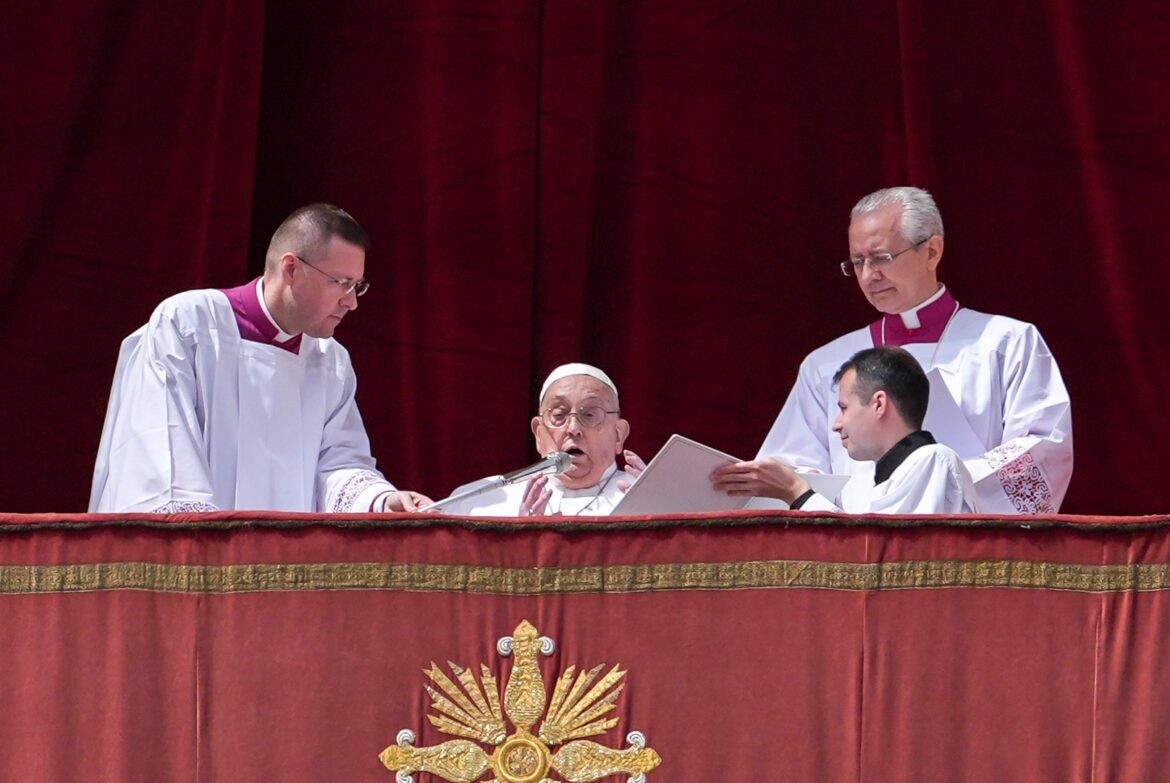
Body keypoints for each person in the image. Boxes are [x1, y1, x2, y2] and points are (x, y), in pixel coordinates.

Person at [748, 186, 1072, 514]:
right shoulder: (825, 364)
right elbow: (793, 469)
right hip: (854, 540)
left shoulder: (1007, 343)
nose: (868, 275)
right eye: (858, 262)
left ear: (931, 251)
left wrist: (938, 478)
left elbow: (1043, 449)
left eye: (881, 258)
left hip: (966, 537)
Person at [89, 203, 431, 514]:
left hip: (289, 557)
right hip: (204, 553)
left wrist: (381, 500)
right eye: (341, 283)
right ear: (291, 269)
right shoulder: (189, 325)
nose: (351, 302)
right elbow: (160, 454)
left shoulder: (332, 362)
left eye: (357, 286)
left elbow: (338, 463)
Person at [713, 347, 977, 513]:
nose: (836, 424)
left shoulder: (932, 460)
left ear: (879, 404)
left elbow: (877, 554)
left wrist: (796, 492)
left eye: (844, 408)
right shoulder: (905, 471)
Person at [439, 363, 639, 516]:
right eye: (559, 415)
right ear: (538, 434)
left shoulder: (646, 499)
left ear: (618, 435)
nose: (573, 429)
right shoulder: (478, 502)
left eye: (589, 415)